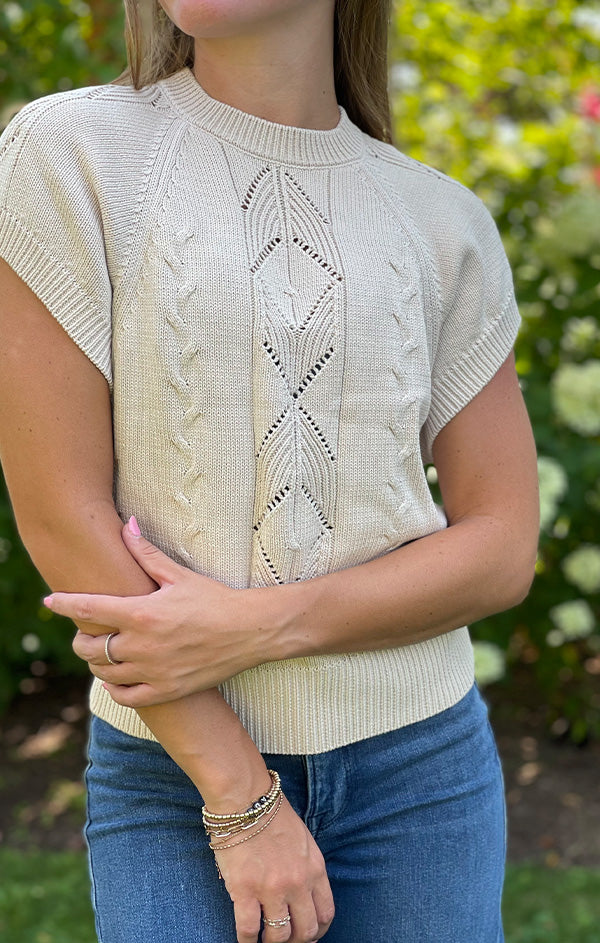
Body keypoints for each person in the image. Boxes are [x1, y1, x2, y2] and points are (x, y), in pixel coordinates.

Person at [0, 1, 540, 941]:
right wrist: (242, 799)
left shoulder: (442, 219)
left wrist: (254, 626)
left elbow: (502, 548)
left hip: (423, 775)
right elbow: (59, 511)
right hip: (174, 769)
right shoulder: (70, 153)